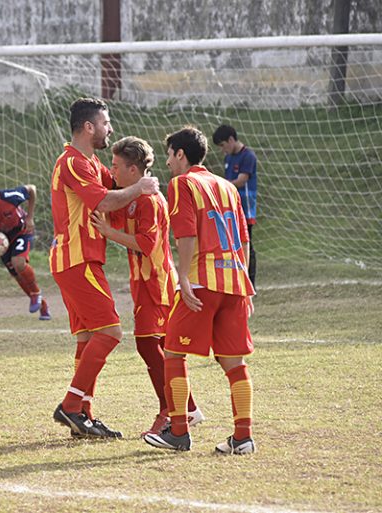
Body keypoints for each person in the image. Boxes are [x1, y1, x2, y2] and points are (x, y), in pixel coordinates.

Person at [49, 98, 159, 439]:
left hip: (79, 259)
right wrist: (140, 188)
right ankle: (70, 405)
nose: (110, 129)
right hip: (76, 259)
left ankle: (82, 416)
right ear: (89, 127)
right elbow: (106, 201)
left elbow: (116, 187)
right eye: (106, 123)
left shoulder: (91, 163)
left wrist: (139, 182)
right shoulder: (72, 162)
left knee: (87, 338)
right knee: (110, 332)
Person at [143, 127, 256, 455]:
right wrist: (245, 284)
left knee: (173, 353)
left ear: (181, 154)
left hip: (202, 284)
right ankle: (243, 437)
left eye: (169, 155)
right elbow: (243, 240)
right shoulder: (226, 185)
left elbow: (187, 235)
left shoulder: (183, 183)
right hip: (234, 282)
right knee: (235, 363)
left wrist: (184, 277)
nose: (167, 163)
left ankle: (178, 431)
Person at [90, 136, 205, 438]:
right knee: (162, 349)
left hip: (158, 282)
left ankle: (169, 410)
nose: (111, 171)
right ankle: (189, 408)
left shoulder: (150, 201)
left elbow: (146, 243)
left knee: (148, 345)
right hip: (142, 283)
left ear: (132, 170)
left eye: (115, 166)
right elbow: (107, 203)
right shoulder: (130, 196)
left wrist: (108, 232)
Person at [0, 175, 50, 320]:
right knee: (17, 276)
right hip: (2, 242)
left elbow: (32, 189)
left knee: (19, 263)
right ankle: (43, 306)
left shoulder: (10, 197)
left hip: (21, 232)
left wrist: (30, 217)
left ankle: (36, 293)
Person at [212, 124, 258, 288]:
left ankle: (250, 283)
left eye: (223, 145)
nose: (223, 150)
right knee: (231, 245)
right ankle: (235, 281)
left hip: (245, 208)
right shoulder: (228, 158)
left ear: (231, 140)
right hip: (230, 208)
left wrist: (220, 187)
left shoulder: (248, 156)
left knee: (247, 244)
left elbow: (241, 180)